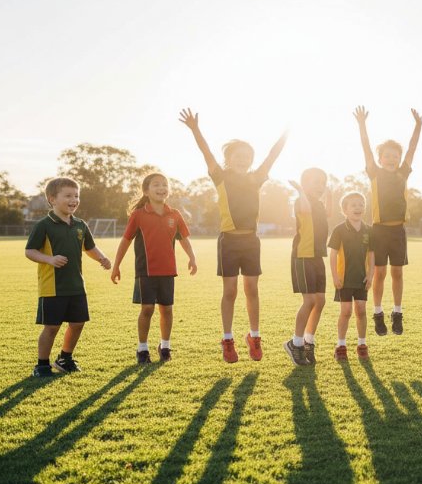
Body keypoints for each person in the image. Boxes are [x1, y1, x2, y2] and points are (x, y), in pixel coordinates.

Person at [179, 108, 287, 362]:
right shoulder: (221, 177)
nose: (244, 159)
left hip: (251, 241)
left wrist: (285, 134)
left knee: (251, 288)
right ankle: (227, 340)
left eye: (248, 156)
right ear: (228, 159)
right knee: (230, 291)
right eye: (238, 156)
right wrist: (195, 129)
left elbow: (272, 156)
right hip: (228, 240)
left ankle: (254, 336)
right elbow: (206, 153)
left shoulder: (256, 178)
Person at [24, 177, 111, 377]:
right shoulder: (44, 225)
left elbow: (90, 247)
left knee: (78, 323)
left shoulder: (80, 225)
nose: (74, 200)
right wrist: (49, 259)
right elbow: (30, 251)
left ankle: (65, 358)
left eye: (76, 195)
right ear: (52, 199)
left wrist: (102, 258)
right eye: (68, 196)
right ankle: (42, 365)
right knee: (52, 327)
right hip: (52, 287)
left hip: (76, 285)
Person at [111, 173, 197, 364]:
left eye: (164, 184)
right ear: (146, 191)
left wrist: (192, 257)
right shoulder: (139, 215)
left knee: (167, 309)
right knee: (147, 309)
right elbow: (125, 241)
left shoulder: (174, 214)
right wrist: (116, 266)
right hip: (146, 272)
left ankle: (165, 346)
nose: (161, 188)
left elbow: (183, 239)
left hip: (168, 271)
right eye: (156, 185)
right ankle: (142, 349)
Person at [353, 106, 422, 337]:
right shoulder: (374, 172)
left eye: (395, 156)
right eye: (387, 156)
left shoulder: (403, 173)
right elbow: (365, 147)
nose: (392, 159)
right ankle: (378, 313)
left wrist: (418, 126)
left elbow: (412, 148)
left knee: (398, 273)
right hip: (379, 231)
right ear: (381, 159)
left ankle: (397, 313)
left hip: (398, 231)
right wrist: (362, 124)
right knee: (379, 273)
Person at [283, 168, 331, 366]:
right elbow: (305, 210)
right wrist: (301, 192)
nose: (319, 186)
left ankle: (309, 341)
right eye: (315, 182)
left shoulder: (319, 203)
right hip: (302, 256)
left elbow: (328, 213)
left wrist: (331, 193)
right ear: (304, 184)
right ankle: (295, 343)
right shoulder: (301, 201)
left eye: (322, 182)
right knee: (309, 300)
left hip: (317, 257)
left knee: (320, 301)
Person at [328, 192, 375, 361]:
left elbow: (371, 255)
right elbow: (333, 255)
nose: (358, 208)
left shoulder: (369, 230)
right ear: (345, 210)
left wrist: (371, 276)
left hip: (362, 279)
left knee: (361, 310)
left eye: (361, 204)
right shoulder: (339, 230)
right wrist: (334, 276)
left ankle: (362, 345)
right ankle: (341, 346)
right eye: (353, 205)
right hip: (344, 279)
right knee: (346, 312)